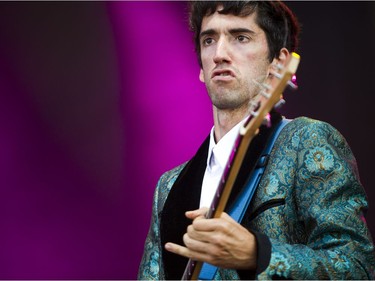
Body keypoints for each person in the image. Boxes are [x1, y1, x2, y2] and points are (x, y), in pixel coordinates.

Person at [138, 1, 375, 279]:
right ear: (201, 69)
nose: (220, 54)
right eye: (209, 40)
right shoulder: (169, 187)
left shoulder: (306, 142)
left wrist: (257, 254)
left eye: (240, 38)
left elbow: (357, 266)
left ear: (279, 63)